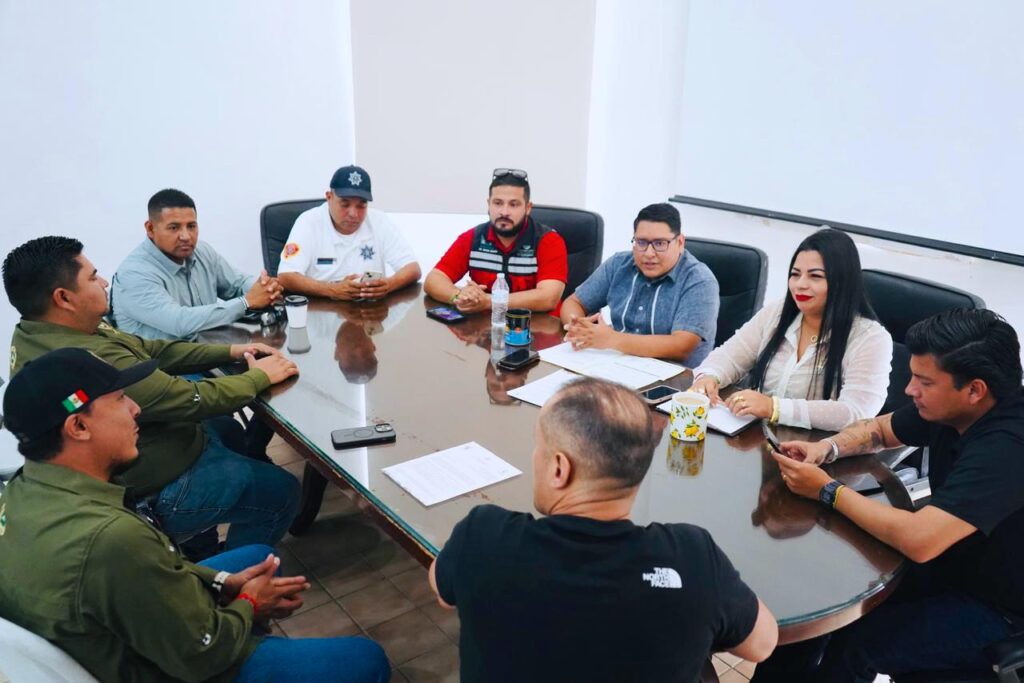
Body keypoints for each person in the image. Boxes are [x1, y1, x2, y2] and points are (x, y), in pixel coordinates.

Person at [0, 348, 389, 683]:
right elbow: (201, 654)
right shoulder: (110, 539)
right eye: (119, 399)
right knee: (367, 659)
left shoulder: (23, 490)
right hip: (174, 667)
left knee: (258, 557)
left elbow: (151, 569)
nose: (135, 408)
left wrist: (221, 583)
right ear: (79, 425)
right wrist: (248, 605)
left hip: (116, 631)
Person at [428, 377, 778, 682]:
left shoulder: (483, 537)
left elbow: (442, 589)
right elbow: (762, 644)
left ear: (559, 468)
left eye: (539, 447)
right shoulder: (692, 558)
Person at [755, 308, 1024, 682]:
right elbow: (881, 430)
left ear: (974, 390)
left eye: (924, 382)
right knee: (821, 597)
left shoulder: (1008, 448)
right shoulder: (953, 409)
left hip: (998, 606)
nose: (910, 390)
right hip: (952, 564)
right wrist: (826, 449)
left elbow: (920, 540)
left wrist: (827, 490)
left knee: (860, 645)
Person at [3, 236, 301, 554]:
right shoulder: (77, 357)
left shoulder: (45, 329)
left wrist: (230, 351)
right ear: (64, 298)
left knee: (228, 429)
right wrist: (259, 377)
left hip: (158, 443)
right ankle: (231, 574)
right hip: (151, 484)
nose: (104, 282)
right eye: (92, 277)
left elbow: (150, 349)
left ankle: (199, 546)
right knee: (282, 492)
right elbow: (188, 399)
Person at [691, 229, 892, 431]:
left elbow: (856, 411)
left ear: (842, 281)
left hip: (819, 446)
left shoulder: (870, 337)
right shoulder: (778, 312)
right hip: (760, 437)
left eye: (815, 276)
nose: (800, 285)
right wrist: (710, 376)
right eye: (795, 274)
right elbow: (729, 356)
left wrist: (773, 407)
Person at [111, 188, 284, 341]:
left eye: (191, 226)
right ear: (150, 229)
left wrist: (267, 289)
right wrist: (246, 302)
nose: (186, 236)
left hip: (209, 350)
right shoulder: (134, 274)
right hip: (162, 364)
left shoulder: (202, 251)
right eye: (174, 227)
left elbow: (237, 284)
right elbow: (179, 322)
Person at [560, 202, 719, 363]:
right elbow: (574, 302)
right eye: (641, 242)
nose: (649, 253)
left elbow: (681, 346)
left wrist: (612, 339)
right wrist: (579, 327)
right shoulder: (619, 264)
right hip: (616, 363)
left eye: (659, 244)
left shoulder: (699, 280)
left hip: (672, 373)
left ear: (680, 243)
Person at [423, 168, 568, 313]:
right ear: (489, 204)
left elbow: (549, 298)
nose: (504, 212)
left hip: (537, 324)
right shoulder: (473, 238)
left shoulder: (548, 240)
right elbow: (434, 279)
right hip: (487, 324)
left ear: (528, 208)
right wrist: (459, 296)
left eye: (513, 205)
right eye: (498, 203)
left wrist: (489, 301)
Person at [276, 165, 421, 300]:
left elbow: (412, 268)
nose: (353, 214)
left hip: (369, 310)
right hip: (322, 309)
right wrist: (333, 290)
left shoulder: (379, 221)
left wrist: (389, 284)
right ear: (329, 197)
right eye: (345, 204)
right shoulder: (308, 222)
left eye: (361, 206)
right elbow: (286, 276)